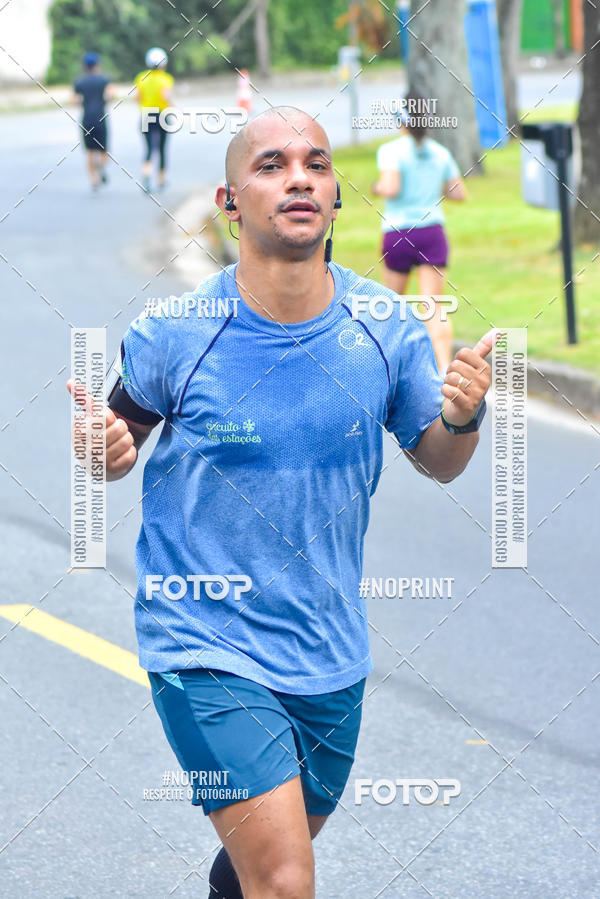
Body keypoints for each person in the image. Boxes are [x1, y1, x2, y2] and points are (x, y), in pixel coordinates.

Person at [68, 106, 492, 899]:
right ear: (229, 202)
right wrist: (102, 450)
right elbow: (114, 442)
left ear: (335, 197)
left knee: (258, 869)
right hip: (204, 640)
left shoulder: (385, 328)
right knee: (286, 879)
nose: (299, 177)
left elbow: (439, 460)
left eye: (316, 164)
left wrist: (464, 416)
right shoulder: (176, 332)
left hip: (329, 649)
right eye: (271, 164)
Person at [373, 95, 467, 372]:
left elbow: (390, 187)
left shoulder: (391, 150)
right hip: (432, 232)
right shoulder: (440, 152)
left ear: (400, 120)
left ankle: (388, 368)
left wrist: (376, 188)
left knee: (392, 305)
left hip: (399, 231)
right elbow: (458, 193)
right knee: (433, 305)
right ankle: (444, 368)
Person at [72, 51, 114, 191]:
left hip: (87, 119)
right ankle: (100, 166)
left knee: (89, 151)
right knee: (104, 150)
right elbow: (111, 94)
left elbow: (74, 100)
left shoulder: (79, 82)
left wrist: (84, 102)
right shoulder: (104, 80)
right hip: (101, 118)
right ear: (97, 64)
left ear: (84, 66)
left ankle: (94, 179)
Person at [134, 47, 174, 192]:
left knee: (149, 148)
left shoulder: (141, 77)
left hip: (146, 115)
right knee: (162, 148)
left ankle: (146, 177)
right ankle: (161, 179)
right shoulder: (166, 79)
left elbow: (137, 98)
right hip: (162, 115)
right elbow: (165, 96)